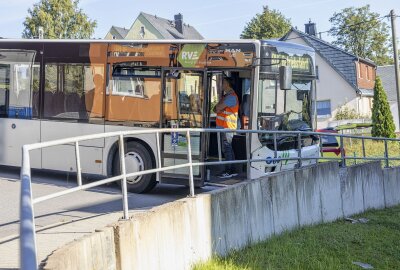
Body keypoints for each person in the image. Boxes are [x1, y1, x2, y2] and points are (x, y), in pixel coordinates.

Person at [214, 77, 239, 178]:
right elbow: (216, 108)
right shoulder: (227, 96)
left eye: (223, 83)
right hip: (224, 127)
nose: (222, 84)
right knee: (228, 149)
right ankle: (231, 170)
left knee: (227, 149)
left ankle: (229, 171)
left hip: (227, 127)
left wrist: (218, 107)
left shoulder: (231, 97)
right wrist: (217, 107)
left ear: (228, 84)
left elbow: (217, 108)